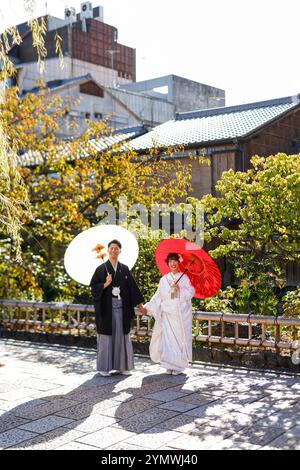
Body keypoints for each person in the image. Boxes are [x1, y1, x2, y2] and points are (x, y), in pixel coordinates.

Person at [90, 239, 144, 376]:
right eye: (111, 248)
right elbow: (93, 288)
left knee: (122, 335)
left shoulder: (124, 268)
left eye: (116, 248)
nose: (114, 251)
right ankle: (104, 367)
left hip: (122, 307)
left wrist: (140, 305)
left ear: (120, 251)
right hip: (106, 308)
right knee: (106, 336)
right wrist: (105, 284)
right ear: (107, 251)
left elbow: (132, 288)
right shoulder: (101, 269)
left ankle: (122, 366)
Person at [139, 253, 195, 375]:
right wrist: (147, 308)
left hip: (179, 314)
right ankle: (169, 364)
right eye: (170, 261)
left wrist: (180, 289)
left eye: (175, 261)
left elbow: (191, 291)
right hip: (167, 313)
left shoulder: (184, 278)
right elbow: (158, 296)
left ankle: (179, 366)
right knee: (168, 340)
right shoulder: (164, 279)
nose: (173, 263)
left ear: (179, 263)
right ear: (167, 263)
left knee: (178, 339)